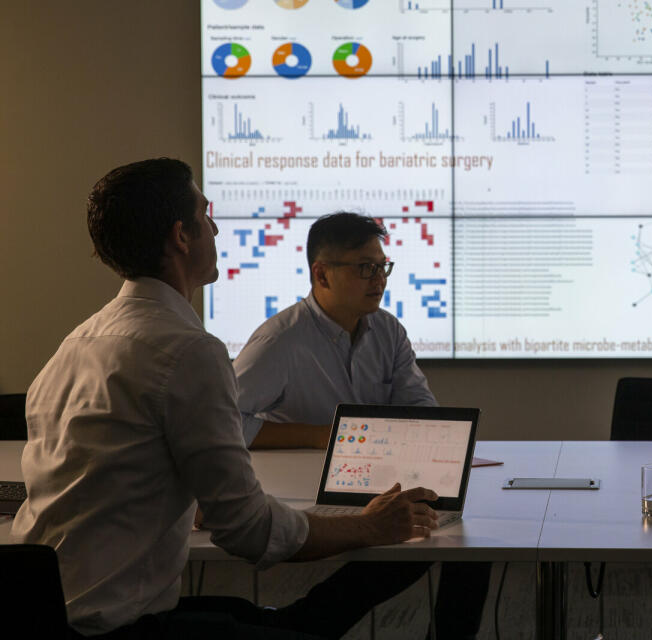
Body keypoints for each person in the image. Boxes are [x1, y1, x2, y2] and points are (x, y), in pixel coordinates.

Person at [15, 159, 440, 639]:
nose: (215, 227)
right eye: (207, 213)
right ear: (182, 235)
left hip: (45, 612)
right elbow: (249, 531)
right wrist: (368, 528)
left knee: (271, 617)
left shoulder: (77, 342)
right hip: (113, 627)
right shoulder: (187, 350)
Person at [234, 211, 489, 640]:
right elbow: (225, 422)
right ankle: (307, 622)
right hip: (305, 489)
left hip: (377, 477)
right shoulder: (280, 341)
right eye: (364, 268)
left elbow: (421, 410)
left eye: (383, 266)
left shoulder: (387, 330)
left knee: (463, 539)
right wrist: (317, 435)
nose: (379, 279)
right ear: (322, 274)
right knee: (414, 529)